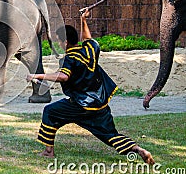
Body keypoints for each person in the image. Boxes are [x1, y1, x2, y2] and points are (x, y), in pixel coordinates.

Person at [26, 9, 155, 164]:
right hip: (99, 105)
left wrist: (37, 75)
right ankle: (138, 149)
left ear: (65, 42)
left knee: (50, 111)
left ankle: (48, 152)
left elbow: (63, 76)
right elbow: (89, 39)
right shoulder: (89, 51)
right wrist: (84, 20)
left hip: (80, 105)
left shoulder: (70, 58)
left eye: (59, 41)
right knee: (110, 134)